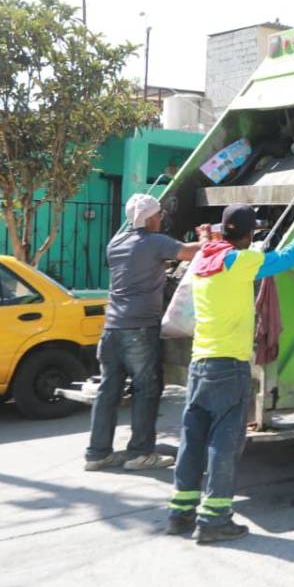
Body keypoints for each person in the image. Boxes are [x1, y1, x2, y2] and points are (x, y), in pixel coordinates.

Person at [167, 203, 294, 544]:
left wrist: (207, 236)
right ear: (248, 234)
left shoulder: (204, 261)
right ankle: (214, 519)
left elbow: (213, 246)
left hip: (200, 364)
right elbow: (285, 259)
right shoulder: (239, 262)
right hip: (229, 366)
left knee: (193, 439)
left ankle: (181, 511)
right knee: (225, 441)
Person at [84, 194, 206, 471]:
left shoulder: (116, 243)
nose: (162, 219)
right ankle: (140, 453)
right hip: (139, 328)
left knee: (108, 391)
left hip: (112, 328)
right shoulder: (154, 242)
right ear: (150, 218)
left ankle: (97, 453)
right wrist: (210, 238)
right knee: (146, 389)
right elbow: (189, 252)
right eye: (159, 215)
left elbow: (140, 266)